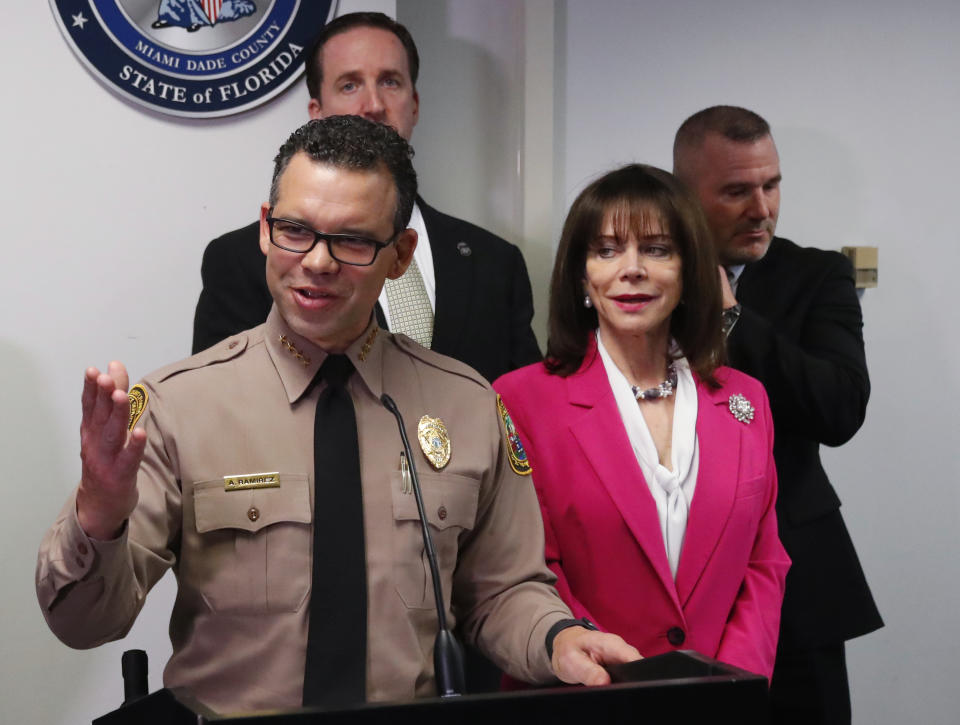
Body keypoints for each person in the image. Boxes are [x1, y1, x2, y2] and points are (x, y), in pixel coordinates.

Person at [35, 116, 639, 714]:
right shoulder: (177, 406)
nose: (317, 262)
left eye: (351, 240)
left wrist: (559, 639)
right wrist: (100, 513)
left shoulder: (468, 405)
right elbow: (82, 623)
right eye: (296, 229)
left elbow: (502, 593)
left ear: (400, 255)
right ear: (266, 229)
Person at [494, 164, 790, 682]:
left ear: (689, 269)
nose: (630, 269)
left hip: (714, 704)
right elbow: (527, 569)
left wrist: (728, 688)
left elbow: (763, 565)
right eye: (606, 250)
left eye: (656, 249)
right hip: (581, 697)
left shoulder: (748, 400)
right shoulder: (521, 399)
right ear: (582, 275)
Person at [192, 11, 541, 384]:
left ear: (415, 104)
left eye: (390, 82)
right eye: (349, 85)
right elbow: (217, 409)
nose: (373, 104)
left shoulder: (495, 263)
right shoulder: (241, 261)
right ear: (317, 113)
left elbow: (524, 414)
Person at [673, 105, 883, 723]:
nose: (761, 208)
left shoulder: (818, 275)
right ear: (684, 194)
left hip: (797, 585)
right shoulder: (638, 275)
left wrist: (730, 314)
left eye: (771, 185)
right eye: (737, 190)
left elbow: (840, 408)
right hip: (670, 577)